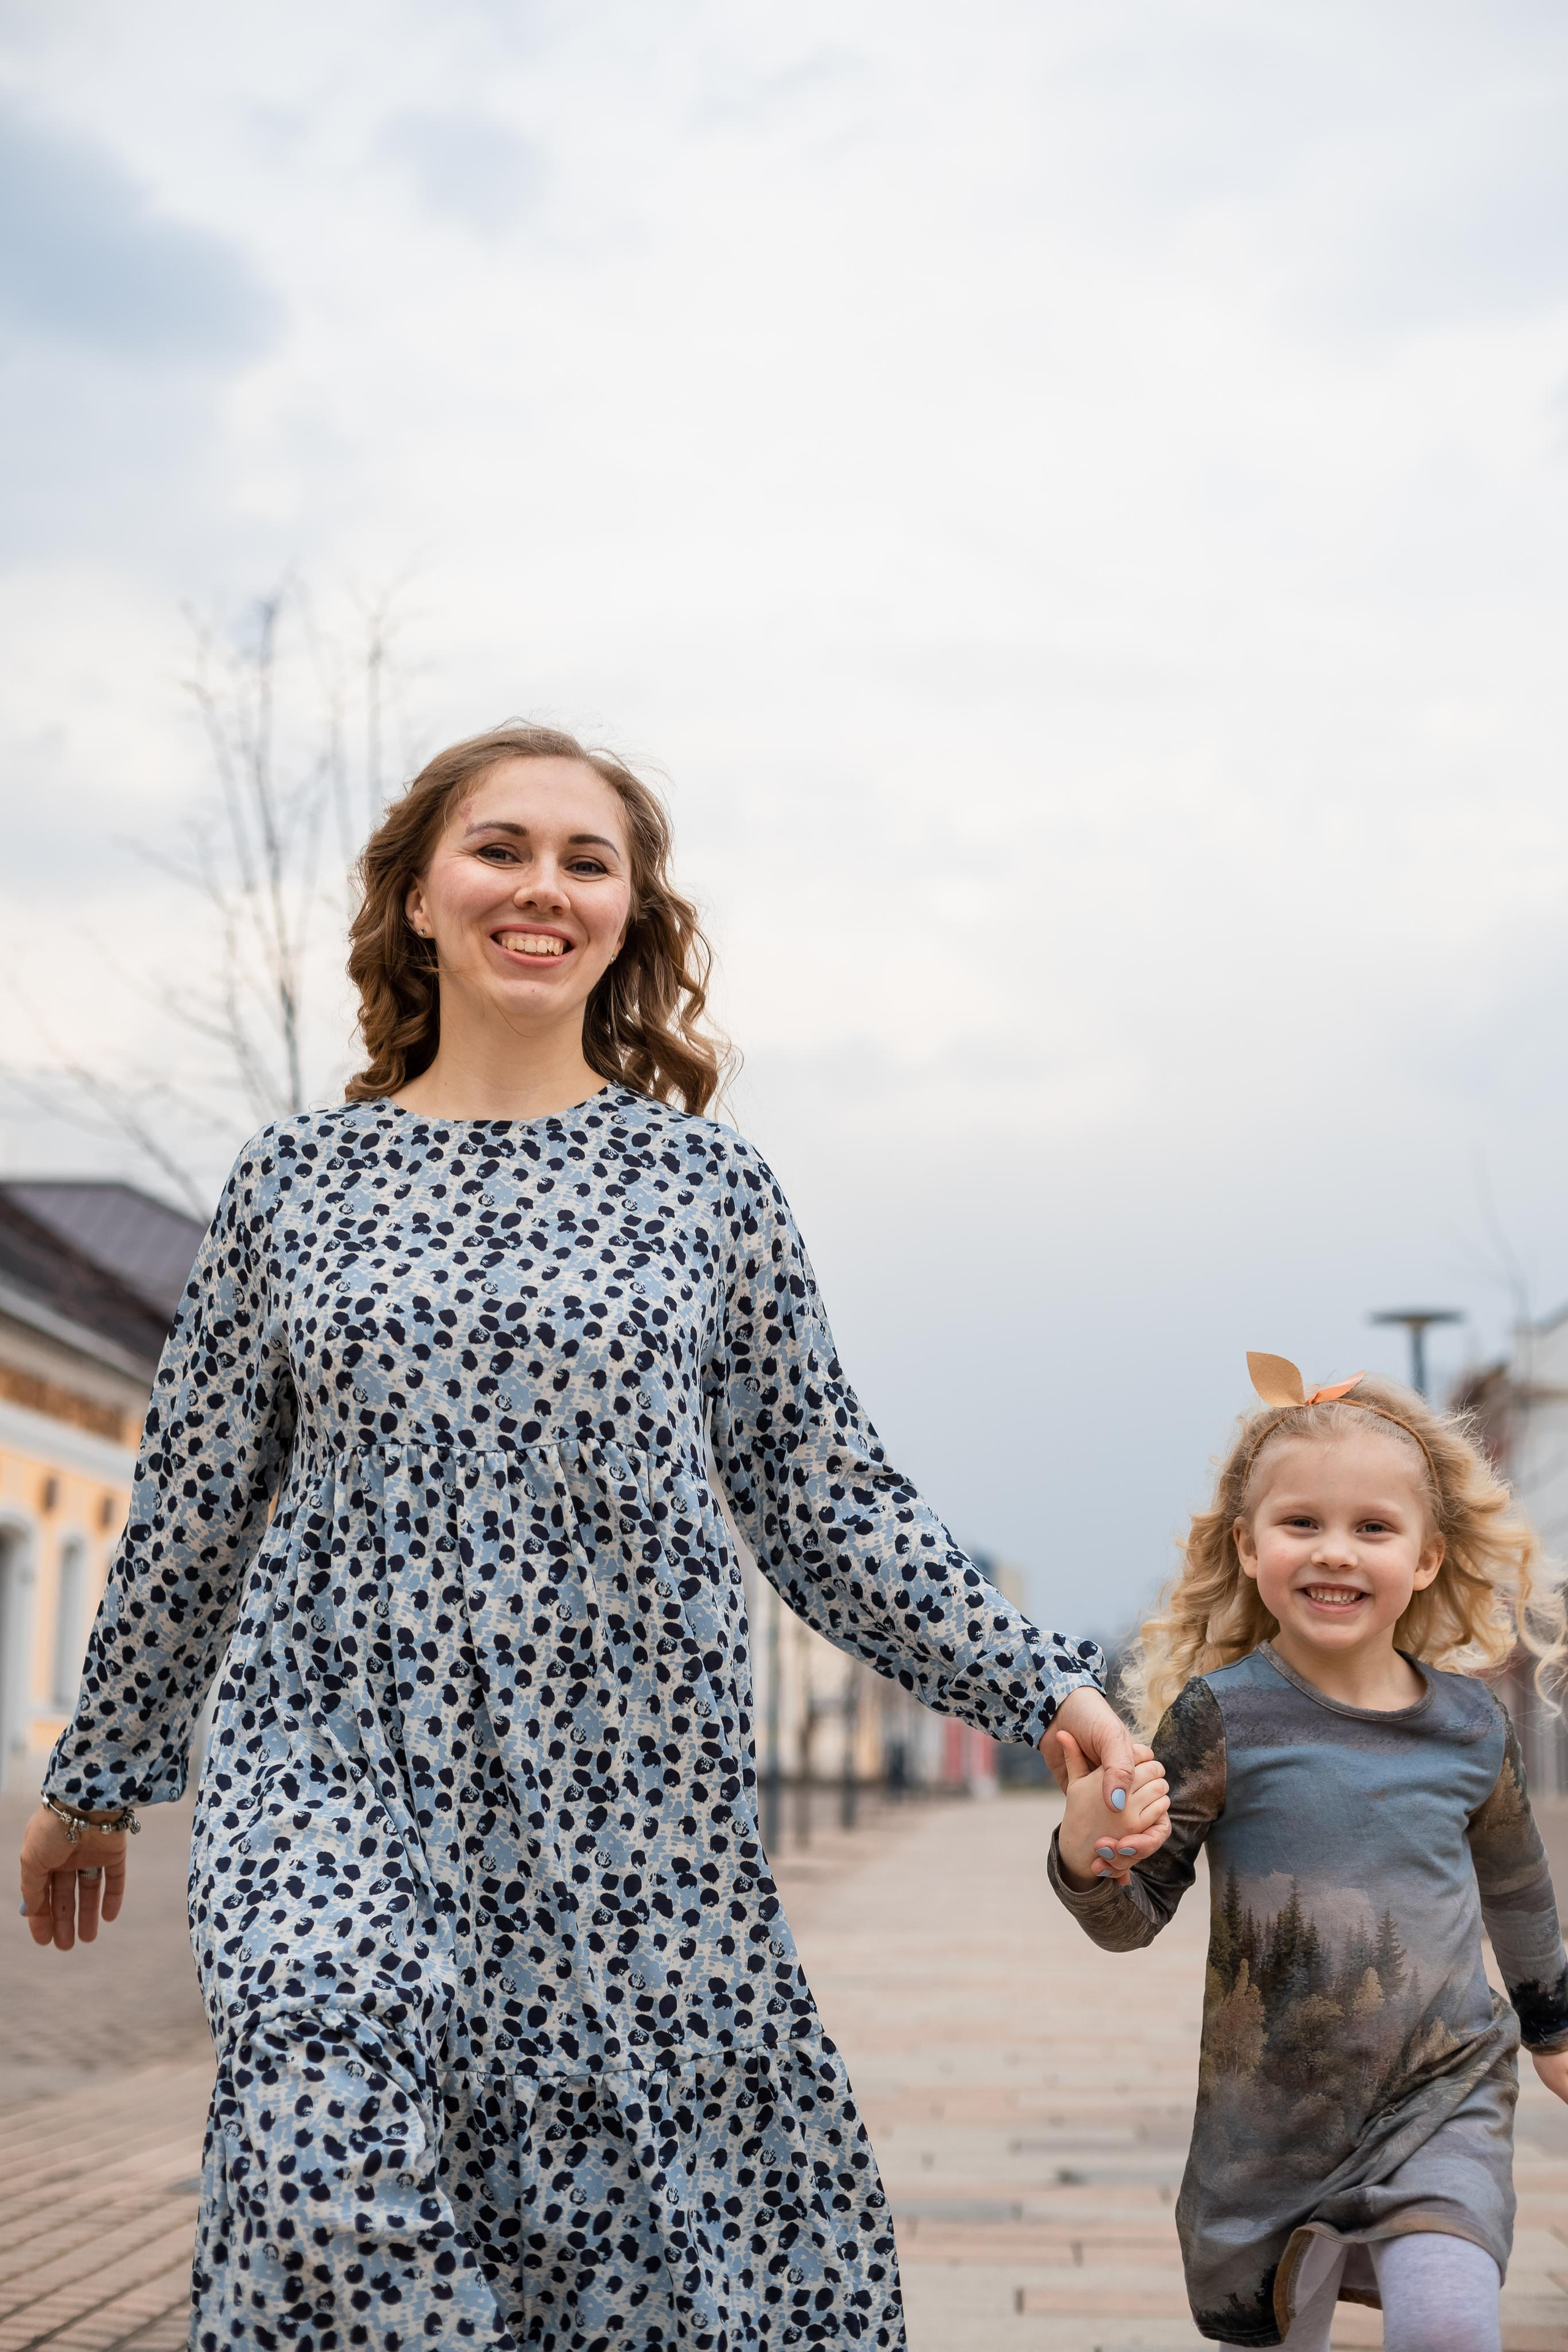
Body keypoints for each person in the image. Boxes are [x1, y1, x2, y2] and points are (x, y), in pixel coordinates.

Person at [19, 722, 1167, 2352]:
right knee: (321, 2146)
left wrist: (1049, 1688)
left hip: (623, 1790)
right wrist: (100, 1773)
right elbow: (193, 1502)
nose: (540, 886)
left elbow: (826, 1496)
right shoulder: (292, 1183)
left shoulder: (707, 1190)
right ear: (420, 897)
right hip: (331, 1756)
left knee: (623, 2246)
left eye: (587, 858)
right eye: (500, 848)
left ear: (631, 916)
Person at [1049, 1351, 1568, 2352]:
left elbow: (1517, 1885)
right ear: (1248, 1547)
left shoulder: (1470, 1725)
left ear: (1424, 1558)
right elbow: (1137, 1912)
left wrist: (1552, 2031)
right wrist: (1087, 1854)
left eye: (1373, 1528)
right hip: (1272, 2127)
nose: (1336, 1551)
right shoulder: (1223, 1718)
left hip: (1445, 2089)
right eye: (1303, 1524)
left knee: (1453, 2325)